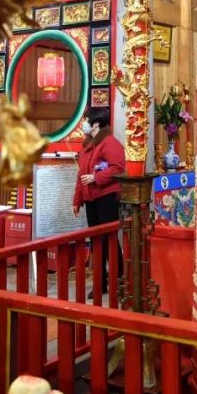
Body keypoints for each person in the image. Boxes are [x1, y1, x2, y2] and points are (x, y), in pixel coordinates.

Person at [72, 108, 125, 290]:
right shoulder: (88, 144)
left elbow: (118, 168)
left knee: (109, 240)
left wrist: (96, 178)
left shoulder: (110, 143)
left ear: (96, 123)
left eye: (86, 120)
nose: (83, 124)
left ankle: (118, 281)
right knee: (96, 242)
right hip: (91, 199)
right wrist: (77, 200)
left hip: (106, 198)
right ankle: (100, 283)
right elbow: (81, 175)